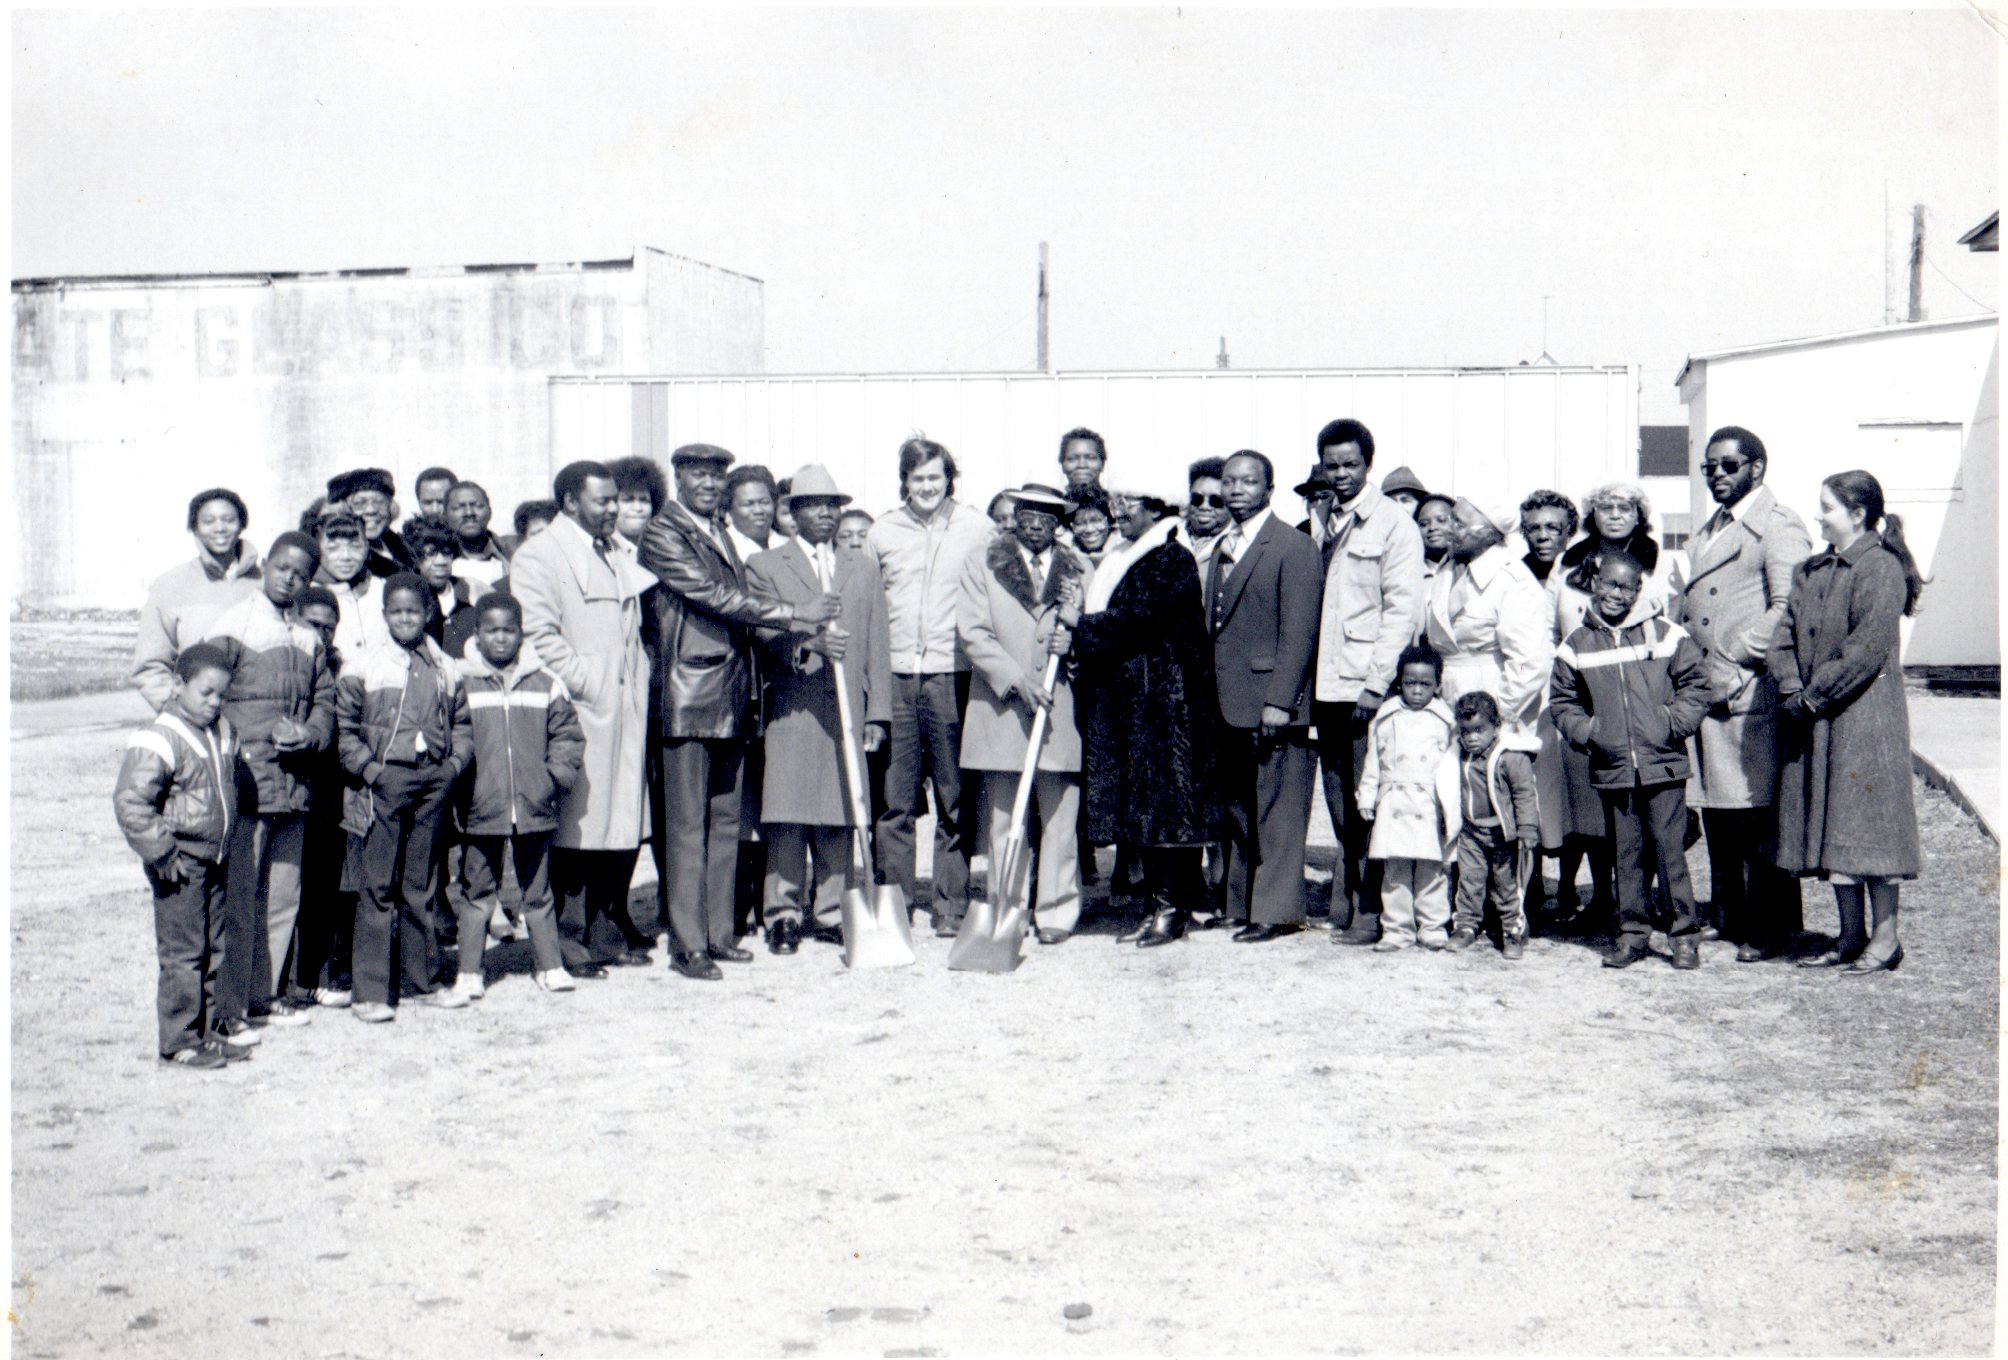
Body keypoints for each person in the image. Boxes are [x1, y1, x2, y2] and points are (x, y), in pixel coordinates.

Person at [638, 444, 838, 979]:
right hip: (689, 695)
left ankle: (719, 934)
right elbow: (712, 595)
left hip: (731, 694)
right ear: (678, 478)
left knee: (725, 823)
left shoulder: (718, 530)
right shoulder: (663, 533)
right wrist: (794, 613)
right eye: (697, 475)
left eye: (715, 477)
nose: (707, 484)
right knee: (687, 826)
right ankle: (688, 945)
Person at [509, 461, 659, 980]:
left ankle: (602, 927)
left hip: (624, 709)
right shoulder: (539, 555)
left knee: (617, 824)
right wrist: (588, 683)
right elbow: (539, 636)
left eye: (616, 500)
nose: (615, 509)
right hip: (580, 710)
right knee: (576, 827)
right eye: (604, 501)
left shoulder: (615, 550)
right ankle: (567, 940)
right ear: (571, 502)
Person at [1771, 470, 1924, 975]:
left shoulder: (1880, 568)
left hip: (1865, 721)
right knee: (1836, 827)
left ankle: (1886, 939)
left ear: (1857, 514)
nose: (1819, 517)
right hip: (1817, 718)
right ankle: (1850, 935)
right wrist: (1791, 688)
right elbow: (1783, 636)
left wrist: (1812, 696)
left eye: (1827, 508)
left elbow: (1866, 649)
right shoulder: (1811, 571)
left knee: (1872, 828)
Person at [1057, 476, 1221, 946]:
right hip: (1133, 704)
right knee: (1144, 809)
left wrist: (1081, 624)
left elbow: (1143, 617)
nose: (1120, 509)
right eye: (1118, 500)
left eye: (1129, 501)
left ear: (1156, 506)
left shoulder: (1171, 557)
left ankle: (1171, 908)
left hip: (1164, 706)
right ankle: (1155, 904)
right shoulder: (1125, 556)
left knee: (1165, 808)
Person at [744, 466, 891, 954]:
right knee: (787, 813)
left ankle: (832, 911)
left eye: (832, 505)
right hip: (794, 707)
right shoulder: (766, 565)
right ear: (793, 512)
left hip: (846, 710)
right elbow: (761, 631)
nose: (825, 514)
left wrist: (877, 713)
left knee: (839, 811)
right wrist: (807, 644)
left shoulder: (862, 567)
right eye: (813, 505)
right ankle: (782, 914)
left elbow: (877, 643)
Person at [1681, 426, 1813, 961]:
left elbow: (1789, 606)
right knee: (1720, 812)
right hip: (1708, 689)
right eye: (1709, 467)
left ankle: (1769, 926)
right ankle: (1728, 915)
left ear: (1757, 468)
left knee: (1758, 812)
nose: (1716, 475)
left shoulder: (1777, 525)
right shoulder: (1713, 527)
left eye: (1728, 466)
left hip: (1749, 688)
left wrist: (1736, 655)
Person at [1549, 553, 1712, 970]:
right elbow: (1563, 702)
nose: (1616, 594)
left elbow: (1696, 685)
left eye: (1626, 587)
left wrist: (1670, 723)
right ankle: (1633, 934)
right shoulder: (1577, 644)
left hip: (1663, 765)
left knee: (1669, 852)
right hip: (1614, 768)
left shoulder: (1667, 634)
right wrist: (1591, 732)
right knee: (1626, 854)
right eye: (1609, 584)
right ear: (1595, 583)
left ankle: (1683, 936)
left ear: (1639, 590)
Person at [204, 531, 335, 1041]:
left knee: (282, 895)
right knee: (241, 898)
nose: (290, 579)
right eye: (282, 568)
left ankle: (266, 994)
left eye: (301, 574)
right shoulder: (234, 624)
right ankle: (230, 1005)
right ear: (266, 566)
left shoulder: (308, 637)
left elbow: (324, 701)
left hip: (294, 785)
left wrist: (311, 734)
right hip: (248, 783)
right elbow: (208, 696)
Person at [864, 437, 993, 936]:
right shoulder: (882, 531)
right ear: (904, 481)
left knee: (953, 799)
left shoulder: (976, 527)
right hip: (896, 676)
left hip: (952, 674)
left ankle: (950, 907)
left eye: (934, 477)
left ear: (948, 479)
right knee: (895, 801)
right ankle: (895, 906)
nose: (926, 487)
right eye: (917, 478)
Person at [1307, 419, 1426, 944]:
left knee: (1367, 799)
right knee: (1337, 799)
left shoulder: (1393, 524)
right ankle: (1350, 895)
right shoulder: (1323, 520)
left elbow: (1401, 610)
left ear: (1368, 465)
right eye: (1331, 465)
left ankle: (1373, 910)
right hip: (1325, 686)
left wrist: (1377, 684)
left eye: (1350, 464)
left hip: (1364, 688)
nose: (1340, 474)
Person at [335, 573, 472, 1022]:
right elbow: (345, 730)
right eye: (396, 611)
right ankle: (371, 992)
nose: (405, 619)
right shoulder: (364, 666)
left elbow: (463, 724)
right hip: (386, 781)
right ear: (385, 614)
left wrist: (453, 766)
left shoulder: (447, 667)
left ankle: (422, 981)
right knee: (378, 885)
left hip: (432, 780)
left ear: (428, 613)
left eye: (413, 611)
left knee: (421, 883)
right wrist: (371, 771)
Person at [958, 484, 1091, 944]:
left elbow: (1093, 628)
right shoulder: (982, 562)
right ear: (1015, 516)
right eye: (1027, 512)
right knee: (1003, 818)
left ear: (1059, 523)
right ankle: (1007, 907)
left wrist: (1073, 642)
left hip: (1060, 707)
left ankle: (1055, 910)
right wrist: (1016, 680)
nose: (1035, 522)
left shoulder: (1079, 567)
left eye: (1047, 515)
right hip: (1003, 707)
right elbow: (973, 632)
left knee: (1060, 817)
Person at [112, 643, 249, 1068]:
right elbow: (131, 802)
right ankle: (179, 1042)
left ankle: (206, 1032)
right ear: (177, 685)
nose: (214, 702)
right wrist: (161, 851)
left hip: (216, 857)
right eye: (206, 692)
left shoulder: (224, 731)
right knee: (184, 953)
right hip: (179, 861)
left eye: (222, 694)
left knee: (214, 947)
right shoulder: (160, 736)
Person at [1206, 450, 1324, 942]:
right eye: (1229, 481)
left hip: (1273, 703)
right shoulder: (1223, 544)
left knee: (1277, 811)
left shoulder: (1293, 546)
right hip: (1229, 702)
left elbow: (1300, 631)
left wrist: (1281, 700)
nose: (1236, 489)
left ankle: (1276, 912)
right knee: (1238, 809)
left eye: (1248, 481)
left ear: (1269, 490)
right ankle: (1238, 903)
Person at [451, 592, 588, 997]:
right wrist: (462, 787)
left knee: (538, 891)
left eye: (509, 630)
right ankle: (469, 971)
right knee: (478, 891)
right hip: (482, 806)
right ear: (477, 634)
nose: (500, 638)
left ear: (521, 634)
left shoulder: (544, 682)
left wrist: (551, 779)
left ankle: (550, 965)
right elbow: (452, 737)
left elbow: (568, 736)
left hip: (533, 805)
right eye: (491, 630)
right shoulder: (462, 681)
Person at [1518, 489, 1598, 918]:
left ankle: (1575, 888)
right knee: (1536, 791)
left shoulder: (1581, 569)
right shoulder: (1515, 573)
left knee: (1580, 793)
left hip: (1577, 691)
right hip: (1530, 692)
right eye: (1533, 528)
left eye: (1553, 527)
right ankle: (1530, 887)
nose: (1543, 536)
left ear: (1570, 530)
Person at [1356, 643, 1459, 952]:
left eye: (1425, 684)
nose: (1416, 690)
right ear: (1400, 682)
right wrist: (1367, 797)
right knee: (1395, 872)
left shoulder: (1445, 721)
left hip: (1429, 802)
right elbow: (1373, 761)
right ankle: (1397, 929)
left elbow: (1452, 768)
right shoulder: (1386, 717)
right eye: (1410, 682)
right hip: (1394, 800)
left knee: (1432, 870)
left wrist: (1450, 807)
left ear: (1437, 686)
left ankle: (1432, 926)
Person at [1424, 497, 1552, 740]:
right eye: (1450, 518)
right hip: (1445, 698)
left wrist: (1496, 713)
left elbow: (1528, 663)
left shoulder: (1513, 581)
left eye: (1459, 523)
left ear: (1487, 533)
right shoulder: (1448, 568)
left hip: (1491, 693)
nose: (1447, 528)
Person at [133, 488, 265, 712]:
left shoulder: (266, 583)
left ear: (242, 524)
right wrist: (179, 713)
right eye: (208, 521)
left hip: (259, 715)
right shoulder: (170, 585)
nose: (220, 528)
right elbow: (150, 666)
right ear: (194, 527)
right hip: (200, 718)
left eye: (229, 520)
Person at [288, 585, 354, 1009]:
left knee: (327, 886)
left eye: (330, 627)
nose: (322, 634)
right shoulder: (288, 663)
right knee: (288, 890)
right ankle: (289, 980)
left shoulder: (341, 668)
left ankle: (319, 975)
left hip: (330, 791)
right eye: (313, 624)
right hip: (293, 787)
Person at [1445, 692, 1540, 958]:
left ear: (1496, 726)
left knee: (1506, 886)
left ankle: (1513, 931)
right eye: (1465, 731)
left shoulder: (1511, 757)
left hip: (1503, 835)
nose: (1472, 738)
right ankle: (1465, 926)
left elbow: (1524, 793)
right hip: (1472, 833)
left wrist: (1528, 828)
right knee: (1470, 882)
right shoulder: (1459, 755)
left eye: (1479, 730)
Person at [1555, 480, 1685, 639]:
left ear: (1638, 516)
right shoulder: (1566, 563)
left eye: (1624, 508)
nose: (1615, 515)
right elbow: (1549, 631)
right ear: (1593, 514)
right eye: (1606, 508)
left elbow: (1672, 629)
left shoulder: (1662, 564)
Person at [310, 507, 391, 669]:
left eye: (355, 546)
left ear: (367, 547)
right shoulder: (309, 595)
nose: (346, 556)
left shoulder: (384, 590)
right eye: (333, 548)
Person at [327, 468, 414, 576]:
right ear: (342, 510)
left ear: (390, 507)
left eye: (379, 502)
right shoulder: (340, 560)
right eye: (359, 503)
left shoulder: (401, 548)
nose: (371, 510)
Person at [405, 519, 475, 650]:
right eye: (431, 553)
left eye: (446, 552)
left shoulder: (472, 593)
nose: (441, 561)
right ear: (415, 558)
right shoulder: (407, 598)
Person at [445, 480, 512, 593]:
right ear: (445, 515)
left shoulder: (511, 553)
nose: (469, 513)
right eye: (458, 507)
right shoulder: (437, 559)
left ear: (490, 512)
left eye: (478, 506)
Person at [723, 464, 779, 563]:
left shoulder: (788, 545)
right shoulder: (723, 549)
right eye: (748, 504)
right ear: (729, 509)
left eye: (764, 502)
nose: (758, 510)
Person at [609, 455, 668, 547]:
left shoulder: (661, 548)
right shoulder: (600, 550)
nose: (638, 508)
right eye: (628, 500)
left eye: (644, 500)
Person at [1414, 492, 1457, 605]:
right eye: (1424, 524)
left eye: (1441, 520)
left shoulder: (1466, 571)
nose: (1432, 528)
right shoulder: (1409, 571)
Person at [1184, 456, 1229, 562]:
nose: (1204, 507)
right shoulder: (1169, 535)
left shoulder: (1239, 546)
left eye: (1216, 501)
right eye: (1197, 499)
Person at [1057, 427, 1109, 507]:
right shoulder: (1053, 507)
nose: (1082, 465)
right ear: (1062, 464)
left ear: (1103, 464)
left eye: (1091, 457)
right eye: (1072, 458)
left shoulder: (1117, 507)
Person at [1068, 495, 1114, 560]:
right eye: (1080, 523)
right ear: (1072, 526)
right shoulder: (1066, 558)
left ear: (1109, 521)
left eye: (1096, 521)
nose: (1089, 529)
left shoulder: (1125, 553)